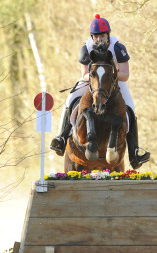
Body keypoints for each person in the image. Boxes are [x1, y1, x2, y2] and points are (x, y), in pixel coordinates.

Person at [50, 14, 150, 169]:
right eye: (96, 36)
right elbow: (83, 73)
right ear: (92, 37)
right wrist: (95, 78)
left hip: (115, 82)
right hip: (92, 82)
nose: (99, 39)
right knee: (70, 99)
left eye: (102, 36)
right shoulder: (87, 48)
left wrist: (111, 74)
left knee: (130, 108)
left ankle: (135, 152)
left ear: (108, 35)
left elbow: (126, 74)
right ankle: (61, 138)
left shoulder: (118, 47)